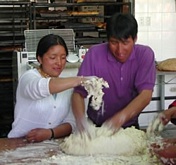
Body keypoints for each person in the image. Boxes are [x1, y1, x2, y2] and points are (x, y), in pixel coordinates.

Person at [71, 13, 156, 133]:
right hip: (96, 128)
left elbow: (145, 95)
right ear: (107, 39)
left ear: (135, 39)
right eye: (114, 42)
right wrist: (81, 123)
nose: (120, 50)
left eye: (125, 43)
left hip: (129, 127)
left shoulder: (144, 55)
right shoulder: (94, 54)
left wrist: (119, 119)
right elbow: (78, 93)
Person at [8, 34, 89, 143]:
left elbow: (71, 123)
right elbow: (40, 88)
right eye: (52, 57)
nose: (59, 62)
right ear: (39, 58)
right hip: (19, 144)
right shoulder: (28, 77)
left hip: (51, 145)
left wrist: (50, 133)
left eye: (63, 57)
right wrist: (80, 80)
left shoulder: (67, 87)